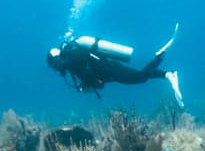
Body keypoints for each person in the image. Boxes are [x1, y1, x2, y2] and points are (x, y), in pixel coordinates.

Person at [47, 25, 184, 108]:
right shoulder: (71, 59)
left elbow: (88, 75)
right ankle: (167, 74)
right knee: (139, 76)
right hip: (109, 71)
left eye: (54, 65)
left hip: (109, 69)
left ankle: (160, 59)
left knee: (139, 77)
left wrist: (85, 85)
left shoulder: (69, 59)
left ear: (56, 59)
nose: (56, 68)